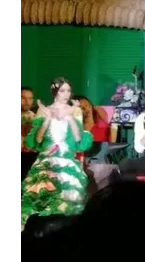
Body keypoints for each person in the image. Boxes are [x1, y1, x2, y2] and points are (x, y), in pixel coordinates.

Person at [20, 77, 93, 231]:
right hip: (47, 158)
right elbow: (37, 140)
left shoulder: (75, 110)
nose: (66, 94)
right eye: (62, 90)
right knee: (42, 196)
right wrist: (47, 120)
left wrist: (70, 117)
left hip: (66, 159)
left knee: (68, 200)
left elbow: (78, 140)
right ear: (55, 92)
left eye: (68, 90)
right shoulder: (43, 110)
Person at [20, 86, 37, 180]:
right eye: (23, 98)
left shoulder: (35, 118)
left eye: (30, 98)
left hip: (28, 159)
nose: (27, 101)